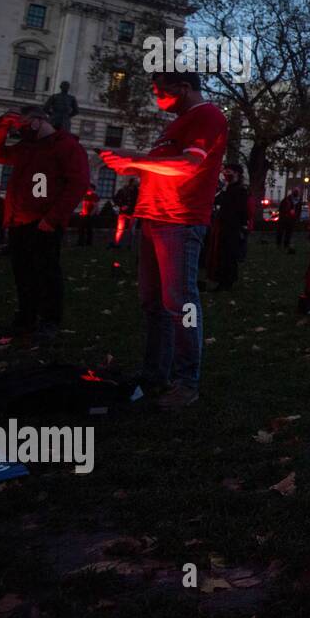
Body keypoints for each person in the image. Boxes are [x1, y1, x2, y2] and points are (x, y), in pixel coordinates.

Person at [99, 69, 227, 407]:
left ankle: (187, 381)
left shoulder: (207, 117)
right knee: (153, 303)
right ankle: (156, 372)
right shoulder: (175, 124)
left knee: (181, 302)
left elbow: (188, 166)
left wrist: (137, 159)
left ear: (182, 88)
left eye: (160, 93)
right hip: (154, 218)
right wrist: (135, 166)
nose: (158, 100)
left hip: (179, 221)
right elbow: (165, 165)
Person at [0, 106, 90, 342]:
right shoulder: (26, 148)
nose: (19, 132)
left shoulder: (66, 146)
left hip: (43, 221)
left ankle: (49, 320)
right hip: (19, 219)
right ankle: (26, 318)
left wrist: (52, 218)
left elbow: (77, 184)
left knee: (46, 272)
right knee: (23, 273)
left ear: (36, 122)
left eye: (21, 126)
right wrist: (2, 125)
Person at [204, 163, 249, 290]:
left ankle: (226, 281)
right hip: (223, 225)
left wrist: (243, 225)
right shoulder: (227, 188)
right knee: (222, 252)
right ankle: (223, 279)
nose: (225, 174)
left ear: (237, 174)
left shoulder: (240, 190)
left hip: (232, 226)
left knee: (228, 254)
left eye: (229, 171)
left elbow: (241, 210)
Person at [111, 177, 138, 248]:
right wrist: (121, 205)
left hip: (133, 213)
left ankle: (129, 245)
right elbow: (115, 198)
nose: (137, 182)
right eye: (136, 181)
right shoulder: (123, 190)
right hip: (123, 212)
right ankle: (117, 243)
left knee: (131, 230)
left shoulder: (138, 192)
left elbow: (138, 202)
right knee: (120, 229)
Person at [277, 187, 302, 253]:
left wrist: (296, 216)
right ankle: (279, 244)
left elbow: (299, 210)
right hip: (285, 218)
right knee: (281, 232)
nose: (297, 193)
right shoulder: (287, 200)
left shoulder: (298, 201)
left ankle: (286, 244)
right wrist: (288, 212)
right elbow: (281, 209)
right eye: (296, 191)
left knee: (288, 233)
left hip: (292, 219)